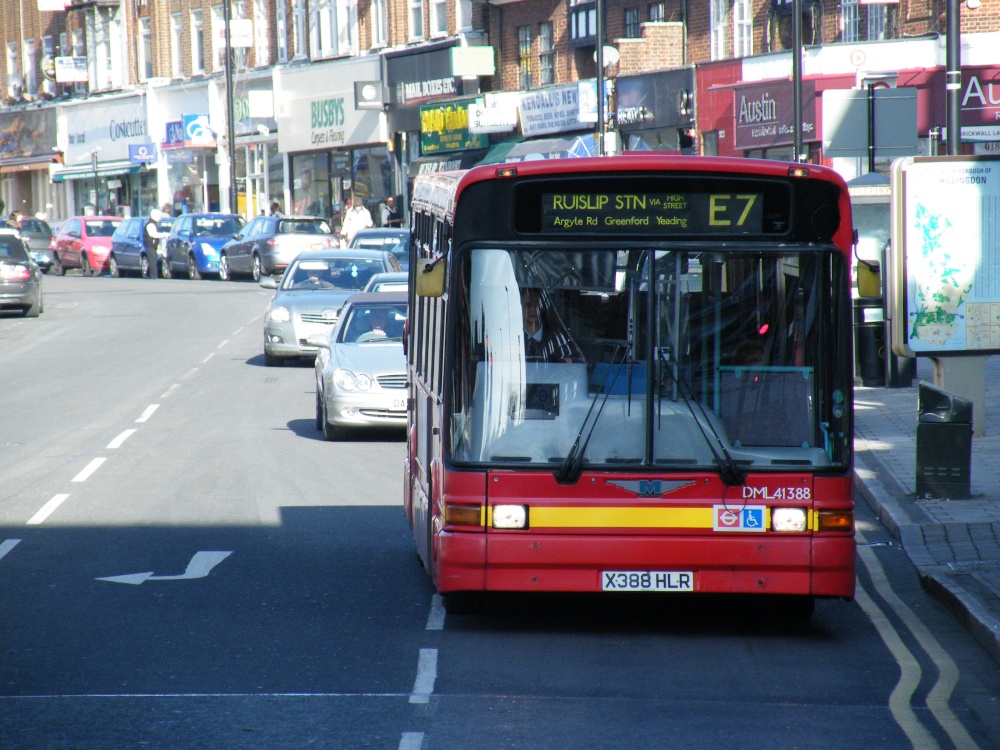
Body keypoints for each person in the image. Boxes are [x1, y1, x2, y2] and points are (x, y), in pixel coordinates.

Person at [521, 287, 582, 363]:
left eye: (537, 303)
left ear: (543, 307)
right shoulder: (513, 336)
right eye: (528, 305)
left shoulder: (558, 336)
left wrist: (566, 361)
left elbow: (578, 362)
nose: (533, 309)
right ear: (520, 307)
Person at [143, 208, 167, 279]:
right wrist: (164, 235)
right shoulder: (150, 224)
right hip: (150, 245)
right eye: (159, 216)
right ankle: (153, 275)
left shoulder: (153, 224)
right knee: (152, 260)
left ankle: (148, 274)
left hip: (152, 246)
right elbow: (153, 234)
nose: (160, 218)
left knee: (153, 258)